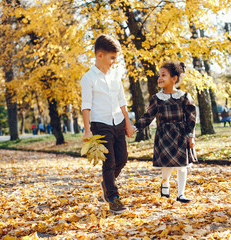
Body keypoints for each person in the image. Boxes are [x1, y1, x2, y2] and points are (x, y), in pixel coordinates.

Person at [80, 34, 134, 214]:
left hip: (118, 121)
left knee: (122, 159)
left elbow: (122, 101)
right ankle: (113, 197)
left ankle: (106, 182)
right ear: (99, 55)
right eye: (111, 58)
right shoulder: (88, 79)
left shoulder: (115, 75)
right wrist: (87, 131)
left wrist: (127, 123)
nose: (113, 62)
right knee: (109, 162)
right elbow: (86, 106)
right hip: (100, 124)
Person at [133, 60, 197, 203]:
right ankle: (165, 184)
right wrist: (135, 128)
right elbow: (148, 116)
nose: (160, 78)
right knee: (167, 164)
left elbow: (191, 117)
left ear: (174, 79)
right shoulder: (157, 99)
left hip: (181, 134)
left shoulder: (184, 97)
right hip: (164, 135)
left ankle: (181, 194)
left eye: (164, 75)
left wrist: (191, 136)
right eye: (159, 75)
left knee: (182, 166)